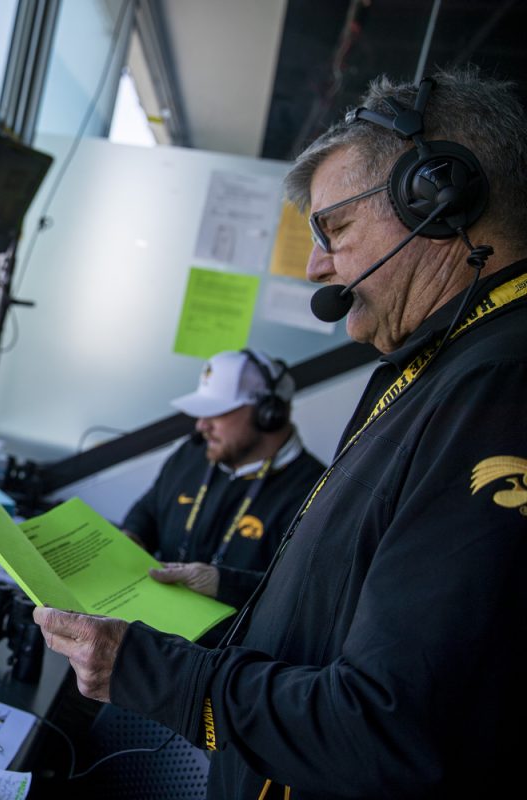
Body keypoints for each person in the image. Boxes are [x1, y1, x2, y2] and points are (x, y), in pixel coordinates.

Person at [34, 66, 527, 799]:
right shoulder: (443, 369)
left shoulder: (499, 389)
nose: (316, 265)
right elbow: (363, 610)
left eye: (334, 227)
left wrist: (140, 669)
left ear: (440, 197)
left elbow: (385, 729)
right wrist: (224, 588)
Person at [123, 349, 325, 612]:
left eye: (215, 412)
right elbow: (150, 508)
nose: (201, 426)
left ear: (267, 413)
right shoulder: (193, 452)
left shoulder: (317, 493)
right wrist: (131, 537)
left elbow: (304, 596)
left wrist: (223, 584)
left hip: (228, 648)